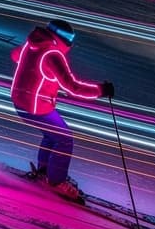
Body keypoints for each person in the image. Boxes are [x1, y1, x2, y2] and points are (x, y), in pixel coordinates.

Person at [10, 19, 114, 200]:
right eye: (68, 38)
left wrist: (43, 78)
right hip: (36, 105)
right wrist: (102, 90)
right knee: (64, 140)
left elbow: (16, 56)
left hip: (20, 101)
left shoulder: (33, 43)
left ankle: (44, 171)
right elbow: (73, 87)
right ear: (61, 37)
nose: (70, 43)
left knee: (52, 135)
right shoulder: (52, 54)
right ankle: (56, 182)